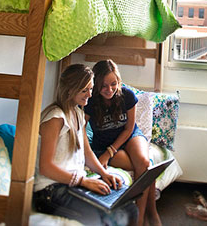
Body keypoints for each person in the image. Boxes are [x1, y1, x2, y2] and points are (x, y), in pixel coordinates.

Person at [33, 64, 138, 226]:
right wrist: (83, 181)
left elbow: (87, 152)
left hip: (73, 185)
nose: (90, 94)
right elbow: (46, 167)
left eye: (91, 89)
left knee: (129, 207)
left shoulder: (78, 113)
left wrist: (104, 173)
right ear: (70, 90)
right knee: (99, 219)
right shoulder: (55, 118)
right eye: (85, 90)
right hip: (52, 190)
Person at [85, 59, 161, 226]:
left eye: (114, 84)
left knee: (143, 161)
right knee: (145, 167)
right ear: (96, 84)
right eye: (104, 86)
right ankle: (151, 212)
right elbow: (80, 128)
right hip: (103, 144)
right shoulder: (90, 101)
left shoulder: (126, 95)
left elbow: (129, 128)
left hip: (129, 135)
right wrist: (99, 153)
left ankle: (140, 218)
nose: (110, 89)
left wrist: (109, 153)